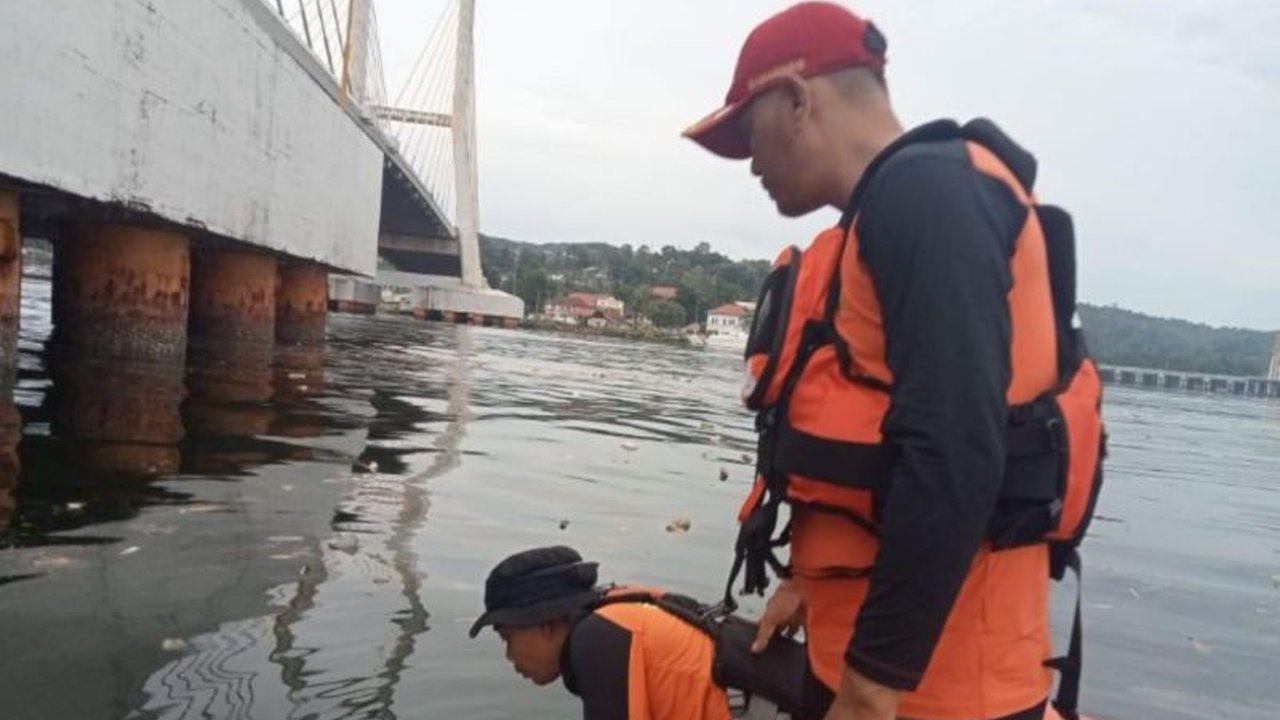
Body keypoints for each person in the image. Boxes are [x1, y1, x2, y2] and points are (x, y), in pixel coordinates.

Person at [683, 4, 1104, 720]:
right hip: (869, 664)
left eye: (749, 133)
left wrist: (871, 686)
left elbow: (955, 452)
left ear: (798, 99)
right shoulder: (890, 208)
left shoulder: (927, 194)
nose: (751, 163)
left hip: (938, 693)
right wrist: (811, 581)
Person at [471, 545, 811, 720]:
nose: (509, 656)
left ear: (544, 623)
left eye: (507, 637)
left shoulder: (598, 642)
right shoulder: (625, 610)